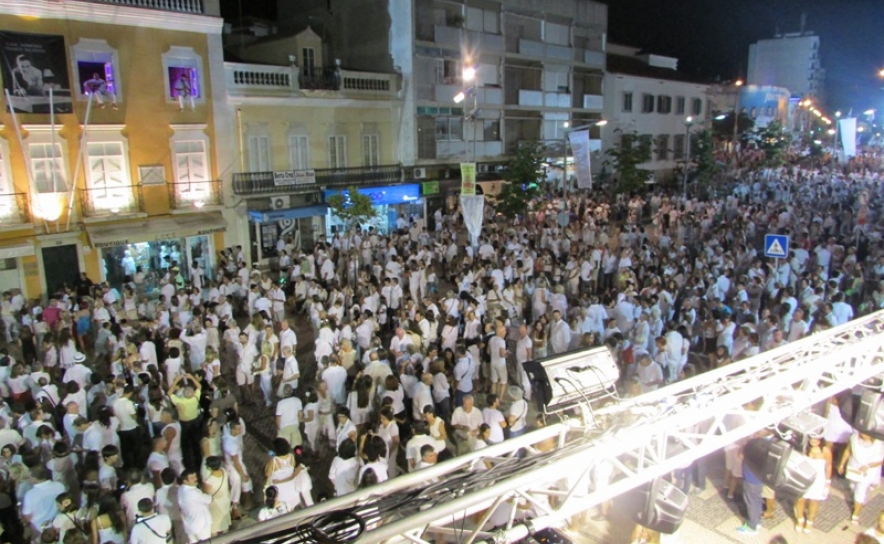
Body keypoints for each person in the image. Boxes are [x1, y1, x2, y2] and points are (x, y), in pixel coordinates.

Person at [840, 431, 884, 523]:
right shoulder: (854, 437)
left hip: (868, 471)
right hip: (853, 468)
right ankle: (858, 503)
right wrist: (842, 464)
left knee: (860, 491)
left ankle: (856, 514)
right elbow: (848, 450)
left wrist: (867, 466)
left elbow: (881, 460)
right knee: (852, 487)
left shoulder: (878, 443)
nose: (862, 434)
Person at [793, 434, 832, 533]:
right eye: (812, 438)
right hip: (805, 476)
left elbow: (829, 466)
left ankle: (810, 521)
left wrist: (828, 482)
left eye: (816, 439)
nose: (813, 441)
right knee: (800, 499)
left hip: (818, 479)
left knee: (814, 501)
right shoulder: (804, 447)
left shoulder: (825, 450)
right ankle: (800, 519)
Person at [178, 469, 212, 543]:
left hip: (189, 525)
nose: (196, 479)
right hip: (201, 526)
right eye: (192, 478)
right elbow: (208, 500)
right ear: (185, 481)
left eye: (195, 476)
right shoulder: (192, 492)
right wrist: (207, 491)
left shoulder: (180, 489)